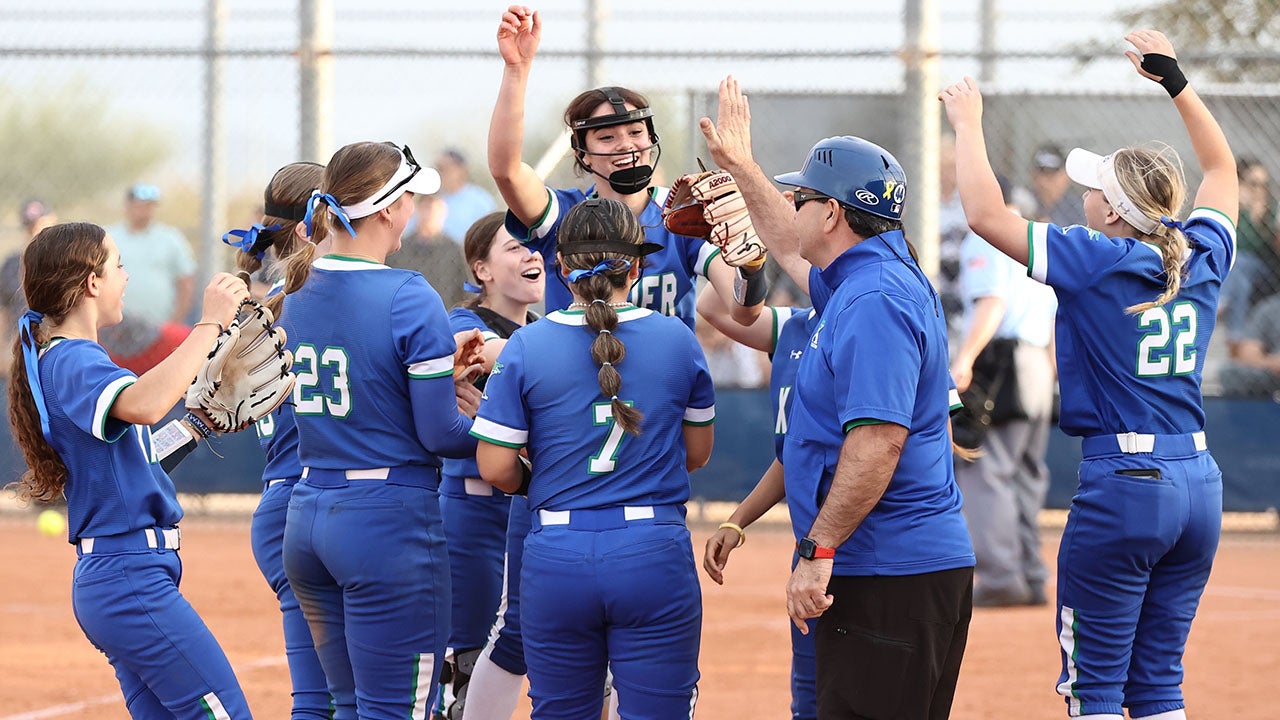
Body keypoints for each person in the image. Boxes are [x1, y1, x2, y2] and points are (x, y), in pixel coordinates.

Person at [941, 28, 1237, 719]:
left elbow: (985, 215)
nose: (1086, 199)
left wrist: (967, 124)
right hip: (1199, 482)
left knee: (1094, 688)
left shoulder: (1096, 258)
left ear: (1114, 212)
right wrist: (1176, 81)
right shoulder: (1200, 251)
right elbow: (1220, 171)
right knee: (1159, 683)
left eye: (1095, 191)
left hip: (1126, 488)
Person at [698, 78, 975, 718]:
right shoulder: (862, 276)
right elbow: (791, 250)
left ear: (832, 214)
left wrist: (818, 551)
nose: (791, 207)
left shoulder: (875, 299)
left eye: (802, 197)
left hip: (889, 572)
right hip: (884, 568)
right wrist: (742, 168)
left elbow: (878, 441)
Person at [471, 198, 715, 720]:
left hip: (557, 551)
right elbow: (697, 453)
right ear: (638, 265)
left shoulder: (526, 344)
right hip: (652, 550)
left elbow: (494, 468)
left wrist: (544, 479)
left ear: (561, 267)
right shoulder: (677, 339)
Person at [7, 221, 254, 719]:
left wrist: (198, 426)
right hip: (128, 577)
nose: (126, 275)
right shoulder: (74, 358)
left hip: (122, 577)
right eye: (117, 264)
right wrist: (210, 325)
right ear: (91, 284)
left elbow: (139, 451)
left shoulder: (71, 359)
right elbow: (144, 403)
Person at [277, 140, 477, 720]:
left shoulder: (295, 288)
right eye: (409, 195)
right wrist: (511, 432)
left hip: (309, 511)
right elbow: (441, 434)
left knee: (350, 707)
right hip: (387, 523)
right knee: (400, 712)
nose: (414, 208)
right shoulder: (407, 293)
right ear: (388, 209)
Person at [488, 5, 763, 331]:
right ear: (583, 154)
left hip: (662, 379)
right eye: (607, 136)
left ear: (651, 139)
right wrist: (517, 69)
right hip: (576, 379)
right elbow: (506, 171)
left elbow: (744, 312)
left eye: (635, 133)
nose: (626, 145)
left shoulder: (683, 215)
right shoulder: (565, 214)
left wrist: (751, 265)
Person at [223, 161, 333, 720]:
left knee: (319, 698)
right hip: (315, 499)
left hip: (280, 504)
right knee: (338, 699)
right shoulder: (320, 299)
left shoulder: (262, 301)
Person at [435, 211, 544, 719]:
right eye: (514, 247)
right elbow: (491, 356)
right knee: (472, 657)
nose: (532, 253)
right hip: (473, 512)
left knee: (536, 649)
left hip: (530, 508)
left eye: (534, 246)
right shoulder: (464, 324)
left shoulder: (544, 332)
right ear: (482, 269)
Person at [697, 287, 820, 720]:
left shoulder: (878, 318)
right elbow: (711, 306)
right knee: (810, 702)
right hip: (812, 550)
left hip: (873, 555)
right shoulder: (795, 325)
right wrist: (741, 257)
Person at [951, 177, 1059, 608]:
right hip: (1038, 364)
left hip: (1002, 364)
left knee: (985, 469)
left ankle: (999, 577)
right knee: (1026, 473)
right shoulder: (1037, 239)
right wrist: (1053, 375)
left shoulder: (989, 235)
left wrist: (965, 359)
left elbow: (991, 302)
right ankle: (1030, 576)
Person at [101, 184, 198, 374]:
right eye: (140, 204)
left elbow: (186, 282)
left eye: (149, 205)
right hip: (114, 332)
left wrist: (176, 322)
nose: (145, 210)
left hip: (159, 331)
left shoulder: (170, 238)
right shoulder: (108, 237)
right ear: (128, 206)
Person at [1220, 157, 1279, 354]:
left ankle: (1219, 302)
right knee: (1240, 280)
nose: (1259, 190)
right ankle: (1235, 339)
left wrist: (1257, 217)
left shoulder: (1271, 211)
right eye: (1253, 184)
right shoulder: (1230, 209)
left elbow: (1257, 247)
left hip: (1268, 272)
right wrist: (1242, 213)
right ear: (1239, 185)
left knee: (1240, 263)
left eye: (1264, 185)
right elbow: (1230, 244)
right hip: (1241, 275)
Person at [387, 193, 471, 309]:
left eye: (434, 209)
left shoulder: (454, 250)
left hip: (444, 313)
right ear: (417, 210)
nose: (429, 214)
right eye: (425, 208)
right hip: (405, 311)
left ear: (443, 212)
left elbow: (466, 289)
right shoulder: (399, 247)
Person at [1217, 293, 1280, 397]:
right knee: (1229, 372)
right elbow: (1247, 351)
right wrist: (1272, 363)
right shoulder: (1271, 307)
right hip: (1274, 374)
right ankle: (1258, 411)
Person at [436, 148, 499, 244]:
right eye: (438, 168)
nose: (440, 173)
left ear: (461, 171)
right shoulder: (432, 200)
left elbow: (490, 234)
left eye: (446, 169)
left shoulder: (480, 200)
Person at [1025, 145, 1086, 226]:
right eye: (1039, 173)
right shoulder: (1024, 202)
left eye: (1050, 174)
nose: (1042, 181)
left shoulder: (1077, 208)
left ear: (1065, 176)